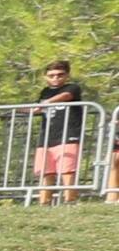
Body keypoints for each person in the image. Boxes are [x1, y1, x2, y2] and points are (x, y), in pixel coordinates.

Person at [38, 60, 89, 199]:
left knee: (67, 170)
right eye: (51, 75)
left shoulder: (73, 87)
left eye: (60, 75)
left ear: (66, 75)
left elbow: (66, 96)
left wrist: (46, 103)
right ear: (45, 77)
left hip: (68, 134)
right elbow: (37, 108)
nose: (55, 78)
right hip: (47, 136)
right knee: (46, 171)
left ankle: (70, 200)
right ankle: (44, 201)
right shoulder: (45, 92)